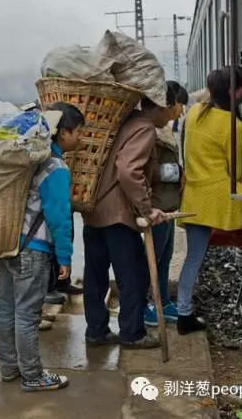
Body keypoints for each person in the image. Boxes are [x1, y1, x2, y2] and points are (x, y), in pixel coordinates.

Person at [81, 83, 178, 350]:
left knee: (95, 275)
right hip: (117, 215)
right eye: (170, 109)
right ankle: (132, 333)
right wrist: (146, 208)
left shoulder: (124, 120)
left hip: (93, 210)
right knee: (133, 275)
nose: (171, 116)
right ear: (160, 105)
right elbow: (128, 170)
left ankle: (97, 331)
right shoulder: (144, 128)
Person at [0, 102, 82, 392]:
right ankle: (33, 376)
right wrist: (64, 258)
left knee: (6, 307)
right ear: (63, 133)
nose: (79, 137)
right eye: (77, 131)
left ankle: (9, 368)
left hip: (6, 243)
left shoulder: (26, 160)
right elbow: (59, 219)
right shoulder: (54, 167)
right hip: (33, 250)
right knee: (27, 315)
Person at [176, 66, 242, 335]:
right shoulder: (236, 127)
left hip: (194, 196)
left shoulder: (195, 113)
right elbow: (237, 173)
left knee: (193, 257)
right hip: (220, 199)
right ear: (236, 91)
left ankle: (184, 314)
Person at [144, 82, 189, 327]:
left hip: (168, 205)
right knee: (152, 258)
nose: (181, 111)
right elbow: (147, 170)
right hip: (157, 205)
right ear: (169, 105)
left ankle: (162, 302)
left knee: (165, 257)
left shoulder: (165, 130)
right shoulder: (153, 132)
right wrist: (177, 171)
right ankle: (143, 306)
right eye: (180, 105)